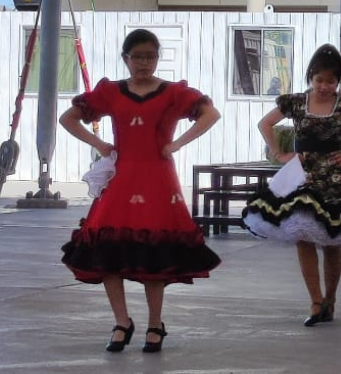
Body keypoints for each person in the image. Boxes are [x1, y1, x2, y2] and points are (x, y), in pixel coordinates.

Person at [60, 29, 222, 353]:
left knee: (154, 255)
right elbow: (69, 118)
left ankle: (154, 323)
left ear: (157, 58)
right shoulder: (112, 93)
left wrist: (177, 143)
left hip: (159, 179)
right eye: (137, 56)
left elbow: (210, 114)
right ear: (126, 58)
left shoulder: (173, 93)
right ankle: (122, 321)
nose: (144, 63)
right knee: (106, 252)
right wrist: (101, 145)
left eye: (150, 56)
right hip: (121, 179)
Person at [242, 44, 341, 326]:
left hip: (335, 179)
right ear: (310, 78)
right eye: (319, 80)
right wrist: (280, 153)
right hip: (301, 176)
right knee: (302, 235)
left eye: (330, 81)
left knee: (330, 241)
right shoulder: (295, 102)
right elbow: (265, 124)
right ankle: (315, 300)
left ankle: (330, 300)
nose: (324, 86)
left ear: (338, 81)